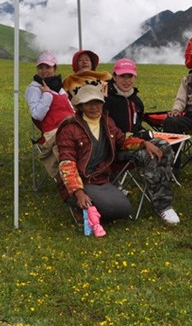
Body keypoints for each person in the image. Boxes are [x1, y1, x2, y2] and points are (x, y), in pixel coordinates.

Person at [57, 84, 167, 226]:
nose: (94, 107)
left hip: (100, 178)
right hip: (81, 180)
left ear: (103, 104)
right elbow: (67, 164)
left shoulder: (107, 122)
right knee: (112, 209)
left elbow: (122, 141)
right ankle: (78, 205)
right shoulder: (69, 128)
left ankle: (90, 207)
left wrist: (143, 143)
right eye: (88, 103)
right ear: (80, 106)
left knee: (124, 209)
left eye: (97, 102)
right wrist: (78, 192)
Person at [103, 58, 180, 224]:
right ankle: (163, 206)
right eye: (122, 76)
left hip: (133, 143)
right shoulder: (104, 100)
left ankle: (163, 196)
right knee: (151, 156)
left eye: (130, 76)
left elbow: (136, 128)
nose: (127, 80)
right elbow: (110, 133)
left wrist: (145, 137)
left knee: (164, 146)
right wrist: (141, 142)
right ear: (114, 77)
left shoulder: (136, 102)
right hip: (112, 149)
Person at [24, 52, 75, 179]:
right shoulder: (34, 88)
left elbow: (70, 108)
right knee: (71, 146)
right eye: (41, 67)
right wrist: (47, 95)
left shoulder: (58, 86)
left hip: (72, 125)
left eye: (48, 67)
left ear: (54, 68)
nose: (44, 71)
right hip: (53, 131)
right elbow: (36, 115)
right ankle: (74, 180)